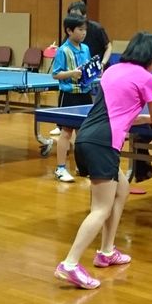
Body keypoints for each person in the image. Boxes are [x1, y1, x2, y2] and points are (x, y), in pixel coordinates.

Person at [55, 31, 152, 289]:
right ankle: (70, 264)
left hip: (87, 137)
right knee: (100, 208)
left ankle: (106, 252)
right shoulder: (148, 79)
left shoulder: (112, 70)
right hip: (104, 143)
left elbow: (119, 113)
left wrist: (144, 118)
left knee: (121, 189)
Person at [49, 14, 94, 182]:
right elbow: (55, 74)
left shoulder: (86, 48)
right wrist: (72, 74)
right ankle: (60, 168)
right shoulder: (63, 50)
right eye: (80, 29)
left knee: (83, 133)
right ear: (69, 30)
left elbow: (87, 69)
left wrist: (95, 72)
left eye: (85, 30)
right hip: (69, 96)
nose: (83, 33)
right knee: (66, 132)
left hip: (85, 94)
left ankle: (81, 167)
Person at [68, 0, 112, 79]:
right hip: (82, 71)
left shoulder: (96, 28)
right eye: (72, 16)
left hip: (98, 70)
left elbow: (108, 47)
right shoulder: (72, 30)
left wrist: (102, 64)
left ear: (84, 16)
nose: (74, 19)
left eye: (77, 16)